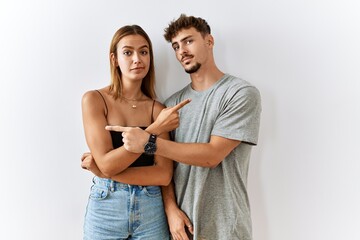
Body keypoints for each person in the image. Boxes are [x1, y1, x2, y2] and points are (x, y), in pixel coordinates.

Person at [84, 14, 261, 240]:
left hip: (225, 223)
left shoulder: (239, 93)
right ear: (114, 59)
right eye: (176, 46)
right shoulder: (171, 106)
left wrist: (148, 140)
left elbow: (211, 156)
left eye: (189, 41)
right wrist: (170, 208)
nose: (182, 51)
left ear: (209, 41)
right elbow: (170, 172)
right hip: (181, 223)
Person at [80, 25, 174, 240]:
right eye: (127, 52)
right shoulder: (95, 100)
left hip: (151, 208)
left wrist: (104, 173)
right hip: (106, 208)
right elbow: (107, 163)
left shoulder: (157, 109)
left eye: (143, 51)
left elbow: (163, 174)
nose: (137, 59)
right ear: (114, 59)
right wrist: (154, 130)